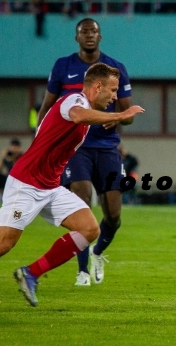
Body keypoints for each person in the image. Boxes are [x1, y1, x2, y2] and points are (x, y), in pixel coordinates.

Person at [0, 63, 145, 307]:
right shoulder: (72, 101)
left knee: (90, 229)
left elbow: (87, 118)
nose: (115, 97)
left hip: (50, 187)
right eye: (112, 90)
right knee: (3, 244)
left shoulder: (89, 111)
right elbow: (79, 115)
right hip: (26, 183)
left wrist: (112, 118)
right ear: (97, 86)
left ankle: (31, 274)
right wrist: (120, 115)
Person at [37, 18, 135, 287]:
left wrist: (116, 118)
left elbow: (127, 115)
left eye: (94, 31)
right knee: (82, 197)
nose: (90, 35)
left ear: (100, 36)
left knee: (113, 215)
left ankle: (97, 252)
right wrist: (40, 141)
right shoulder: (63, 66)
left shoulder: (116, 68)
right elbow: (46, 107)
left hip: (106, 147)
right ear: (76, 37)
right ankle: (81, 271)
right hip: (74, 147)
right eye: (84, 31)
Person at [0, 138, 23, 203]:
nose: (14, 149)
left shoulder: (22, 156)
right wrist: (2, 157)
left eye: (16, 147)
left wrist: (13, 159)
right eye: (13, 146)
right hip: (9, 178)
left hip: (20, 179)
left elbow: (18, 169)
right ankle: (0, 196)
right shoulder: (7, 157)